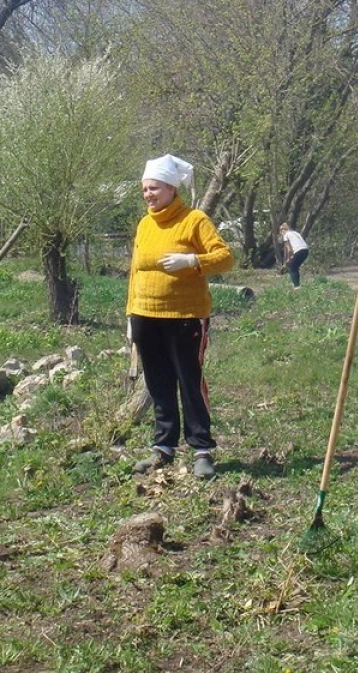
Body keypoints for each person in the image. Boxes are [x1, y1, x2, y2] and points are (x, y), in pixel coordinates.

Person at [127, 154, 235, 479]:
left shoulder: (194, 220)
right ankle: (163, 448)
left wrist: (192, 262)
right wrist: (129, 315)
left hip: (185, 316)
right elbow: (134, 270)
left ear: (172, 189)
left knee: (189, 381)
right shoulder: (145, 224)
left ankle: (201, 449)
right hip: (145, 315)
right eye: (145, 189)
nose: (149, 194)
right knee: (158, 383)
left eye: (155, 188)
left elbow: (226, 258)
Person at [277, 222, 310, 288]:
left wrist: (288, 259)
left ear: (283, 230)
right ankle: (296, 283)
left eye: (280, 231)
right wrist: (289, 259)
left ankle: (296, 286)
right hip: (306, 250)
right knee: (295, 267)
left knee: (292, 268)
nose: (281, 233)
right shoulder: (295, 233)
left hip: (299, 251)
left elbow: (289, 250)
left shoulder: (286, 235)